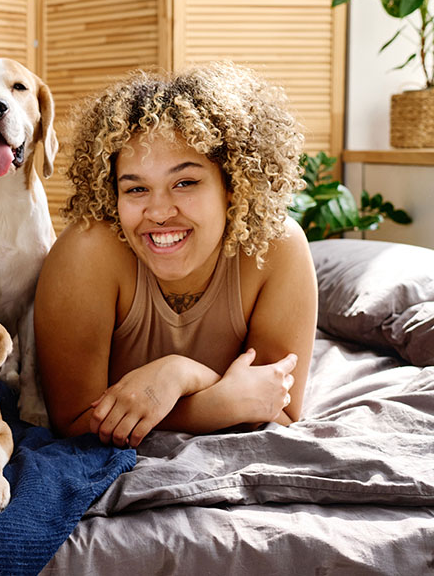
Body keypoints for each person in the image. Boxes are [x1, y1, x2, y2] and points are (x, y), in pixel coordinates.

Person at [35, 62, 317, 447]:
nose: (159, 211)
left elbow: (275, 405)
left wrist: (180, 375)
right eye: (136, 189)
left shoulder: (276, 248)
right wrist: (217, 403)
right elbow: (73, 420)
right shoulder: (87, 253)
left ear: (231, 186)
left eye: (185, 182)